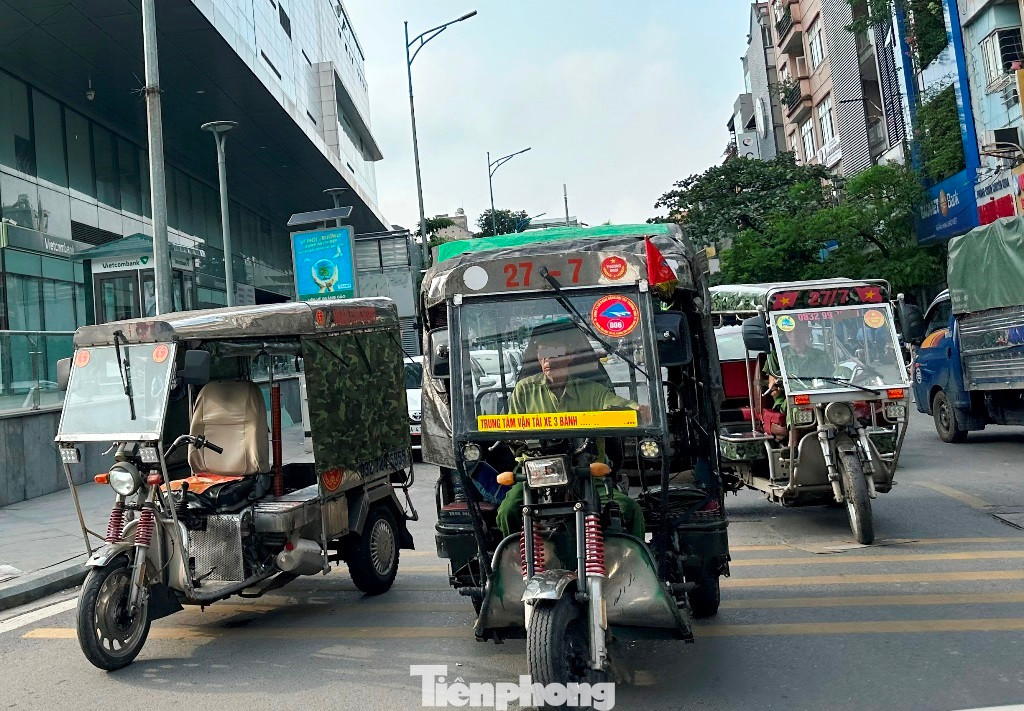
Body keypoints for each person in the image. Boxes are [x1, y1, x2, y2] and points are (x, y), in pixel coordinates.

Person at [495, 327, 647, 539]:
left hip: (586, 474)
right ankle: (514, 567)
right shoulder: (524, 390)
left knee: (630, 510)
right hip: (536, 476)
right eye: (543, 355)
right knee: (508, 511)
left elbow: (618, 405)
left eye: (555, 354)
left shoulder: (592, 391)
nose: (549, 360)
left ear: (570, 357)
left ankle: (632, 569)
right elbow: (512, 434)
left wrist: (638, 410)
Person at [762, 319, 831, 437]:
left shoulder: (820, 355)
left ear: (807, 332)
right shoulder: (776, 355)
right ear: (785, 334)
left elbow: (833, 377)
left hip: (820, 394)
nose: (794, 335)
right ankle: (792, 445)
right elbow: (773, 386)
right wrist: (775, 387)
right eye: (790, 332)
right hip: (790, 398)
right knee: (797, 404)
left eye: (798, 331)